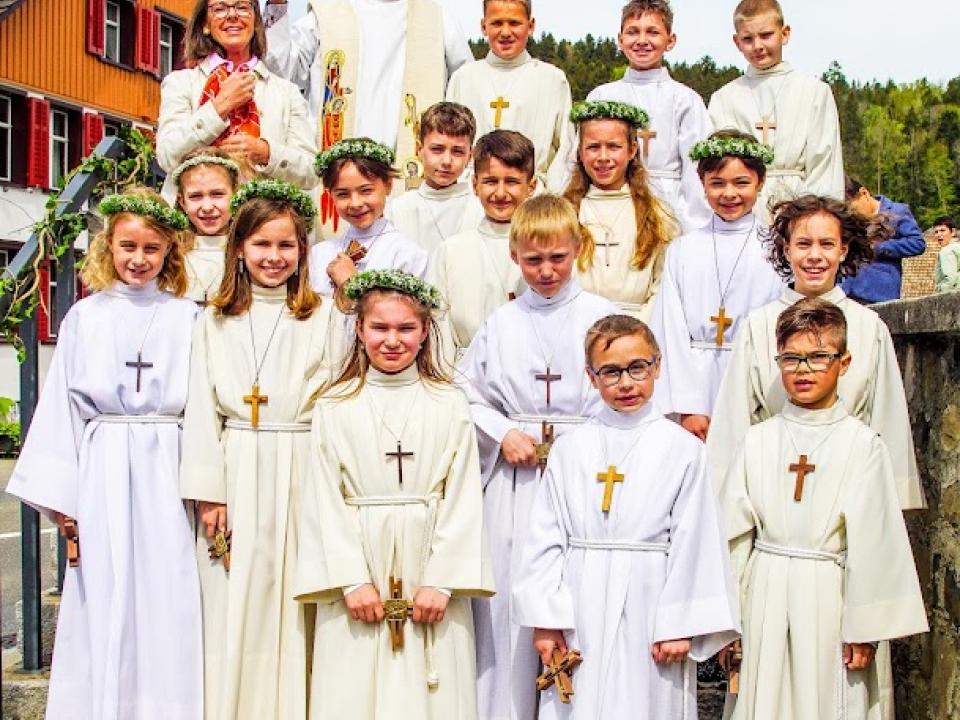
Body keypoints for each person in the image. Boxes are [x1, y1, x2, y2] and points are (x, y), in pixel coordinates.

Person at [7, 189, 202, 718]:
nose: (139, 259)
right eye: (128, 246)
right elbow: (61, 408)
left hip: (168, 460)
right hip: (104, 463)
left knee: (169, 590)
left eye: (152, 249)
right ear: (107, 247)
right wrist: (64, 503)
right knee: (106, 587)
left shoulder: (188, 317)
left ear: (170, 254)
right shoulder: (84, 318)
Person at [512, 314, 739, 719]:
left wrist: (679, 623)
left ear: (657, 365)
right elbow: (546, 537)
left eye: (638, 368)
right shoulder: (571, 448)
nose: (626, 383)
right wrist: (546, 620)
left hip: (652, 604)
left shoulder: (682, 449)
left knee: (646, 703)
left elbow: (696, 538)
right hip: (578, 599)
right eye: (611, 372)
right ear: (590, 375)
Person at [295, 269, 494, 720]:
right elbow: (324, 499)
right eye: (380, 327)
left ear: (425, 332)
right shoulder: (336, 404)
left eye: (406, 328)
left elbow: (462, 495)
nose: (392, 340)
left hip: (429, 567)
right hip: (359, 569)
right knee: (353, 691)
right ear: (359, 329)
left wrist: (443, 581)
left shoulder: (449, 402)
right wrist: (350, 580)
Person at [717, 298, 928, 720]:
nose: (803, 369)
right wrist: (728, 623)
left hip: (831, 599)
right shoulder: (758, 441)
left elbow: (876, 543)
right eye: (791, 358)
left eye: (818, 357)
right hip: (765, 594)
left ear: (844, 362)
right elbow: (733, 538)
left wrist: (866, 630)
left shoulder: (863, 445)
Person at [179, 179, 337, 720]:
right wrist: (208, 493)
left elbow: (337, 404)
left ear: (302, 252)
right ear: (239, 250)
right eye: (262, 245)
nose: (274, 257)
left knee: (296, 599)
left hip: (302, 464)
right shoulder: (214, 319)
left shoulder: (325, 318)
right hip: (237, 466)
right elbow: (201, 410)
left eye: (286, 245)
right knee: (235, 602)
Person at [458, 194, 618, 720]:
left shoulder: (604, 319)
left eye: (558, 258)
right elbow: (466, 392)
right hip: (517, 485)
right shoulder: (500, 324)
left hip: (586, 483)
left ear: (578, 249)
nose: (546, 271)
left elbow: (626, 396)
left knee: (576, 605)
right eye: (533, 260)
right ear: (514, 255)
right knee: (510, 609)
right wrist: (503, 431)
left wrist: (585, 446)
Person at [707, 195, 924, 513]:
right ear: (786, 249)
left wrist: (887, 503)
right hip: (771, 487)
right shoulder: (759, 324)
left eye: (826, 244)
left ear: (843, 250)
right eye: (803, 244)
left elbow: (886, 418)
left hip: (847, 487)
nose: (815, 256)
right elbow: (734, 416)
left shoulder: (868, 326)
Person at [650, 130, 784, 440]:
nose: (729, 194)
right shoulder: (684, 250)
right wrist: (688, 405)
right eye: (717, 183)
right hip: (695, 383)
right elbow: (670, 330)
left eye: (742, 183)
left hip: (753, 376)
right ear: (702, 183)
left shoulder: (775, 248)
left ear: (760, 182)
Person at [262, 0, 471, 178]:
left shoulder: (435, 18)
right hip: (338, 173)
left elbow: (464, 89)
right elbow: (281, 74)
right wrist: (277, 4)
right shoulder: (327, 11)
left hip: (410, 175)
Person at [157, 0, 317, 200]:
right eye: (220, 9)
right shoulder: (180, 83)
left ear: (256, 22)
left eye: (242, 7)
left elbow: (311, 171)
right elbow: (166, 155)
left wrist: (266, 152)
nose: (232, 16)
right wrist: (218, 108)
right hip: (195, 223)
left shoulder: (286, 92)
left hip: (259, 221)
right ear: (205, 23)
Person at [707, 0, 844, 223]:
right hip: (742, 210)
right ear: (736, 42)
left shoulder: (813, 91)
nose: (758, 46)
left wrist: (813, 223)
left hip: (800, 207)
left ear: (785, 33)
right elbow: (716, 169)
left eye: (766, 35)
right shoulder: (724, 98)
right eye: (748, 39)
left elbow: (824, 166)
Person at [587, 0, 712, 232]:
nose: (642, 40)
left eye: (653, 32)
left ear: (670, 40)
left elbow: (696, 169)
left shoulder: (686, 99)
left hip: (669, 206)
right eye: (633, 32)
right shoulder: (602, 96)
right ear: (620, 39)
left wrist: (692, 227)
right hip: (612, 201)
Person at [446, 0, 575, 192]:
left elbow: (566, 147)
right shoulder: (463, 78)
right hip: (473, 195)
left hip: (533, 197)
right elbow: (450, 141)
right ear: (483, 26)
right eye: (497, 23)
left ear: (531, 26)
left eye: (514, 23)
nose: (505, 32)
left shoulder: (552, 80)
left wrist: (551, 194)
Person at [430, 129, 536, 363]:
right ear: (475, 185)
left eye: (512, 182)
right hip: (467, 371)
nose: (500, 193)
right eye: (490, 181)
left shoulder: (545, 249)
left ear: (531, 186)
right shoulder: (452, 251)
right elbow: (439, 325)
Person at [563, 100, 675, 320]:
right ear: (580, 152)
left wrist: (635, 330)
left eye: (614, 147)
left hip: (637, 327)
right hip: (574, 323)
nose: (603, 157)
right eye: (593, 147)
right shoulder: (563, 211)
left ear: (632, 149)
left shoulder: (657, 214)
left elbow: (663, 286)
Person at [310, 138, 428, 297]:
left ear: (388, 185)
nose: (355, 203)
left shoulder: (407, 255)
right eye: (343, 194)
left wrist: (350, 283)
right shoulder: (320, 253)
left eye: (366, 191)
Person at [385, 102, 484, 253]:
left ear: (470, 156)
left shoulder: (479, 208)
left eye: (457, 151)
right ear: (420, 149)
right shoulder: (398, 209)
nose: (446, 161)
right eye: (437, 149)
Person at [173, 147, 242, 305]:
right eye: (196, 196)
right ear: (182, 201)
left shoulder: (246, 250)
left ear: (235, 195)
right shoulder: (172, 253)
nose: (207, 207)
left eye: (217, 194)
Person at [841, 176, 925, 303]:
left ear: (864, 193)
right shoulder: (849, 219)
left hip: (880, 292)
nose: (851, 214)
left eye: (853, 209)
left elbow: (917, 243)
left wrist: (879, 247)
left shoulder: (899, 211)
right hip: (847, 290)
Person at [934, 216, 960, 292]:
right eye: (936, 232)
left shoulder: (947, 251)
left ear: (953, 232)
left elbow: (949, 278)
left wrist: (939, 295)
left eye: (942, 230)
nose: (939, 234)